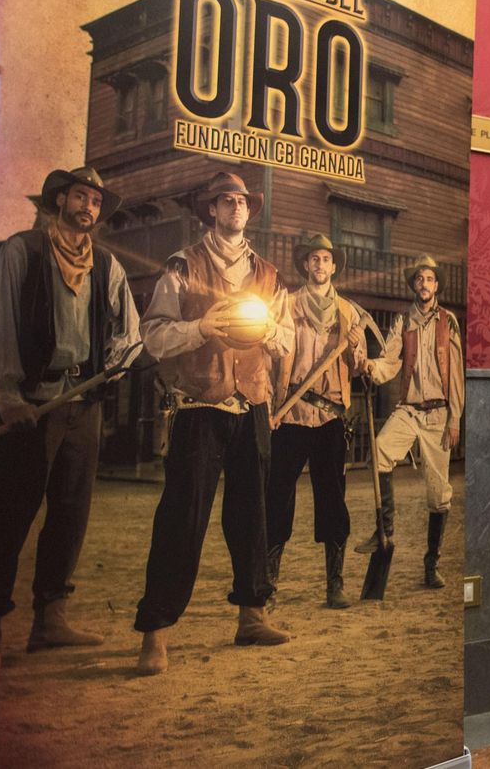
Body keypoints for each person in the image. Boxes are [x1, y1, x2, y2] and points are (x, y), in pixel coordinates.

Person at [134, 170, 295, 676]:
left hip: (253, 406)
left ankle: (252, 614)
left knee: (253, 515)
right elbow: (153, 336)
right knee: (182, 517)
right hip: (199, 406)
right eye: (225, 201)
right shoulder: (182, 266)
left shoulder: (269, 275)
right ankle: (155, 634)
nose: (236, 208)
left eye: (242, 201)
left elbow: (287, 338)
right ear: (210, 210)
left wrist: (269, 331)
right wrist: (200, 327)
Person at [0, 168, 140, 673]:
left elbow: (129, 331)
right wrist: (9, 396)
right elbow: (2, 326)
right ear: (60, 199)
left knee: (70, 514)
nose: (90, 208)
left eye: (96, 202)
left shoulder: (107, 264)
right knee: (9, 515)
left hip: (83, 402)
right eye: (81, 196)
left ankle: (49, 620)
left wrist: (115, 361)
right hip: (33, 402)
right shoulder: (24, 251)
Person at [267, 234, 367, 609]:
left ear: (333, 266)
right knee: (277, 497)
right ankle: (268, 584)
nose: (320, 265)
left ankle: (334, 584)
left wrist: (356, 344)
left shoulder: (348, 313)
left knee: (333, 500)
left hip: (330, 418)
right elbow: (272, 357)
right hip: (291, 413)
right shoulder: (288, 306)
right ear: (306, 266)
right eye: (314, 259)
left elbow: (357, 368)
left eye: (326, 259)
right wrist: (270, 408)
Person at [357, 255, 464, 589]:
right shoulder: (404, 322)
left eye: (430, 279)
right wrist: (371, 367)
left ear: (436, 285)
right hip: (409, 409)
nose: (424, 284)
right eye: (419, 279)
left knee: (438, 495)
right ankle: (385, 530)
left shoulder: (449, 321)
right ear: (414, 285)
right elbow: (390, 361)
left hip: (439, 415)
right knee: (380, 452)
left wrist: (455, 418)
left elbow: (457, 374)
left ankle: (431, 566)